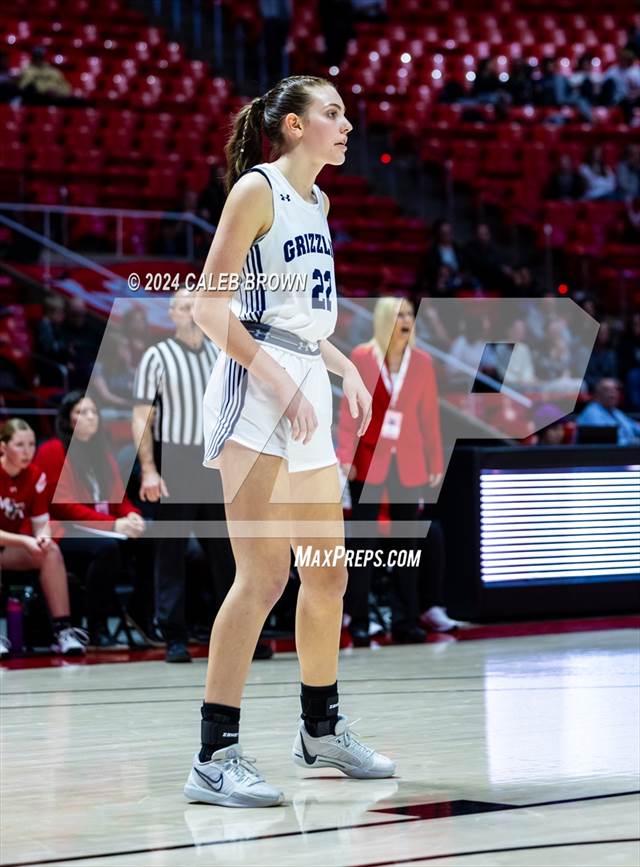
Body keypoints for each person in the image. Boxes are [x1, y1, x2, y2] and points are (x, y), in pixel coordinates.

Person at [184, 75, 395, 808]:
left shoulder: (320, 201)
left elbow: (303, 317)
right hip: (255, 388)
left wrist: (347, 369)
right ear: (296, 126)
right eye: (332, 112)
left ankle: (320, 729)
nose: (346, 124)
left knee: (328, 573)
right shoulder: (258, 190)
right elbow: (213, 310)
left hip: (304, 380)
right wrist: (279, 379)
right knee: (263, 576)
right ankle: (214, 755)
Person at [337, 297, 451, 645]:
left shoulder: (423, 362)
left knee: (407, 542)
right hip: (370, 458)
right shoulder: (361, 356)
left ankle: (406, 620)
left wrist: (434, 462)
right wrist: (346, 454)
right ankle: (358, 619)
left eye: (410, 314)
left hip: (409, 460)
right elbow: (350, 410)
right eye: (400, 314)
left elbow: (429, 417)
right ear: (386, 319)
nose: (406, 320)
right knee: (362, 544)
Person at [132, 289, 237, 663]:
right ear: (172, 314)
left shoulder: (219, 352)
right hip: (175, 457)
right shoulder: (157, 356)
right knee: (171, 552)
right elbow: (142, 415)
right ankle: (174, 636)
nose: (192, 312)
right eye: (184, 306)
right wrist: (148, 469)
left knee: (228, 552)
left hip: (214, 458)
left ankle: (237, 635)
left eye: (197, 305)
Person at [36, 392, 154, 649]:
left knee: (151, 540)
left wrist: (132, 515)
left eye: (93, 412)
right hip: (64, 531)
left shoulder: (102, 451)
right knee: (107, 550)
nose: (89, 418)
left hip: (102, 527)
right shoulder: (53, 450)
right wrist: (112, 524)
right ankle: (96, 628)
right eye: (81, 412)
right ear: (67, 420)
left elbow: (118, 498)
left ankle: (140, 614)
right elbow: (63, 506)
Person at [0, 418, 87, 656]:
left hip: (8, 549)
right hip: (8, 542)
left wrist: (43, 537)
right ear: (3, 447)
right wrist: (26, 541)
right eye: (19, 444)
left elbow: (41, 523)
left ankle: (63, 632)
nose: (27, 451)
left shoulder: (35, 475)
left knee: (50, 552)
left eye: (31, 444)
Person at [576, 378, 640, 445]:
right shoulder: (592, 413)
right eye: (607, 390)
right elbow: (608, 443)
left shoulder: (616, 412)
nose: (613, 393)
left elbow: (634, 427)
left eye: (615, 389)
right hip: (607, 454)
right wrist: (635, 442)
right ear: (597, 394)